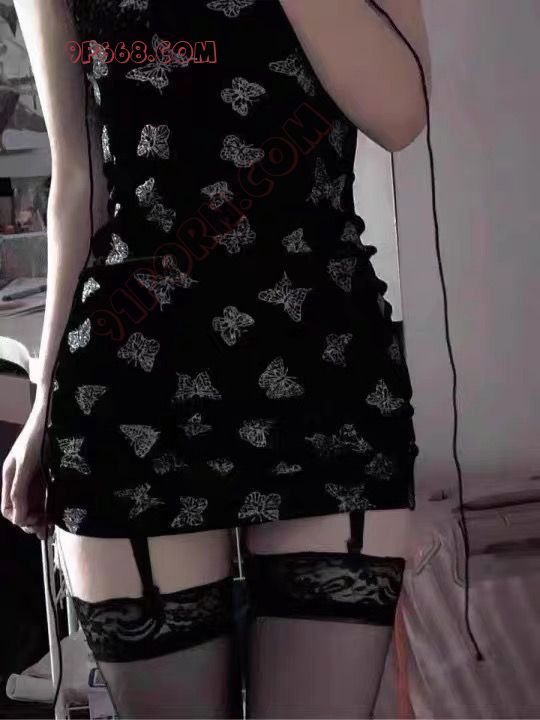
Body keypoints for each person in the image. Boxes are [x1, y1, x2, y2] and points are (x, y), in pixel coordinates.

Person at [2, 1, 431, 717]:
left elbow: (401, 116)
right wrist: (44, 397)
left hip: (326, 375)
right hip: (131, 386)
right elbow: (78, 183)